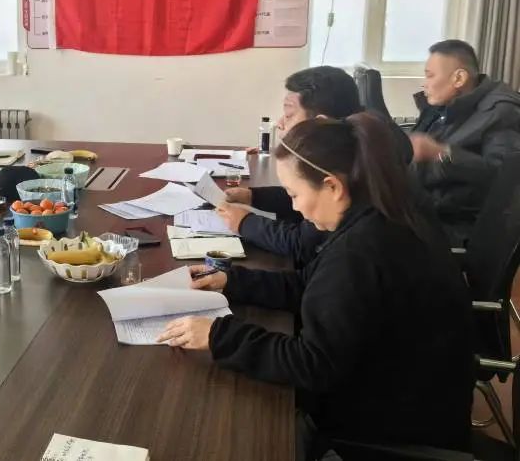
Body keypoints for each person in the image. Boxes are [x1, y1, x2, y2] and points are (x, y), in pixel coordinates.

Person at [158, 114, 473, 458]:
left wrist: (218, 336)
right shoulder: (379, 215)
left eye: (294, 194)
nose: (293, 207)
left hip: (393, 421)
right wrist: (233, 280)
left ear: (333, 187)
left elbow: (312, 364)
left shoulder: (360, 251)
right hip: (416, 394)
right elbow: (314, 285)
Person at [216, 66, 412, 267]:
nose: (280, 123)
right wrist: (254, 196)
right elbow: (306, 194)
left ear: (319, 123)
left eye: (289, 114)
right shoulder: (357, 153)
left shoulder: (347, 177)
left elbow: (301, 244)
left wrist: (244, 222)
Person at [410, 39, 520, 244]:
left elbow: (505, 181)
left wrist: (441, 154)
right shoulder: (447, 105)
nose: (425, 83)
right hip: (422, 207)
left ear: (459, 78)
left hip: (453, 227)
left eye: (430, 75)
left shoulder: (501, 113)